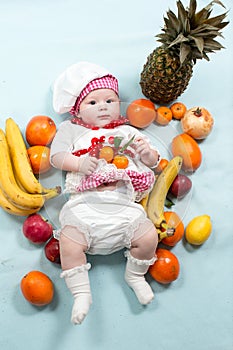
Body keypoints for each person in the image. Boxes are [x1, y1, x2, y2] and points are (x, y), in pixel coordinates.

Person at [50, 62, 160, 325]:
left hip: (124, 208)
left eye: (109, 100)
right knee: (69, 241)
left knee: (148, 237)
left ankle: (135, 275)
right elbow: (56, 156)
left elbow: (153, 160)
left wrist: (147, 155)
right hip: (85, 207)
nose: (102, 106)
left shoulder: (127, 132)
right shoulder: (73, 130)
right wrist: (78, 164)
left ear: (119, 104)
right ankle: (81, 293)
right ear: (77, 109)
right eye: (92, 102)